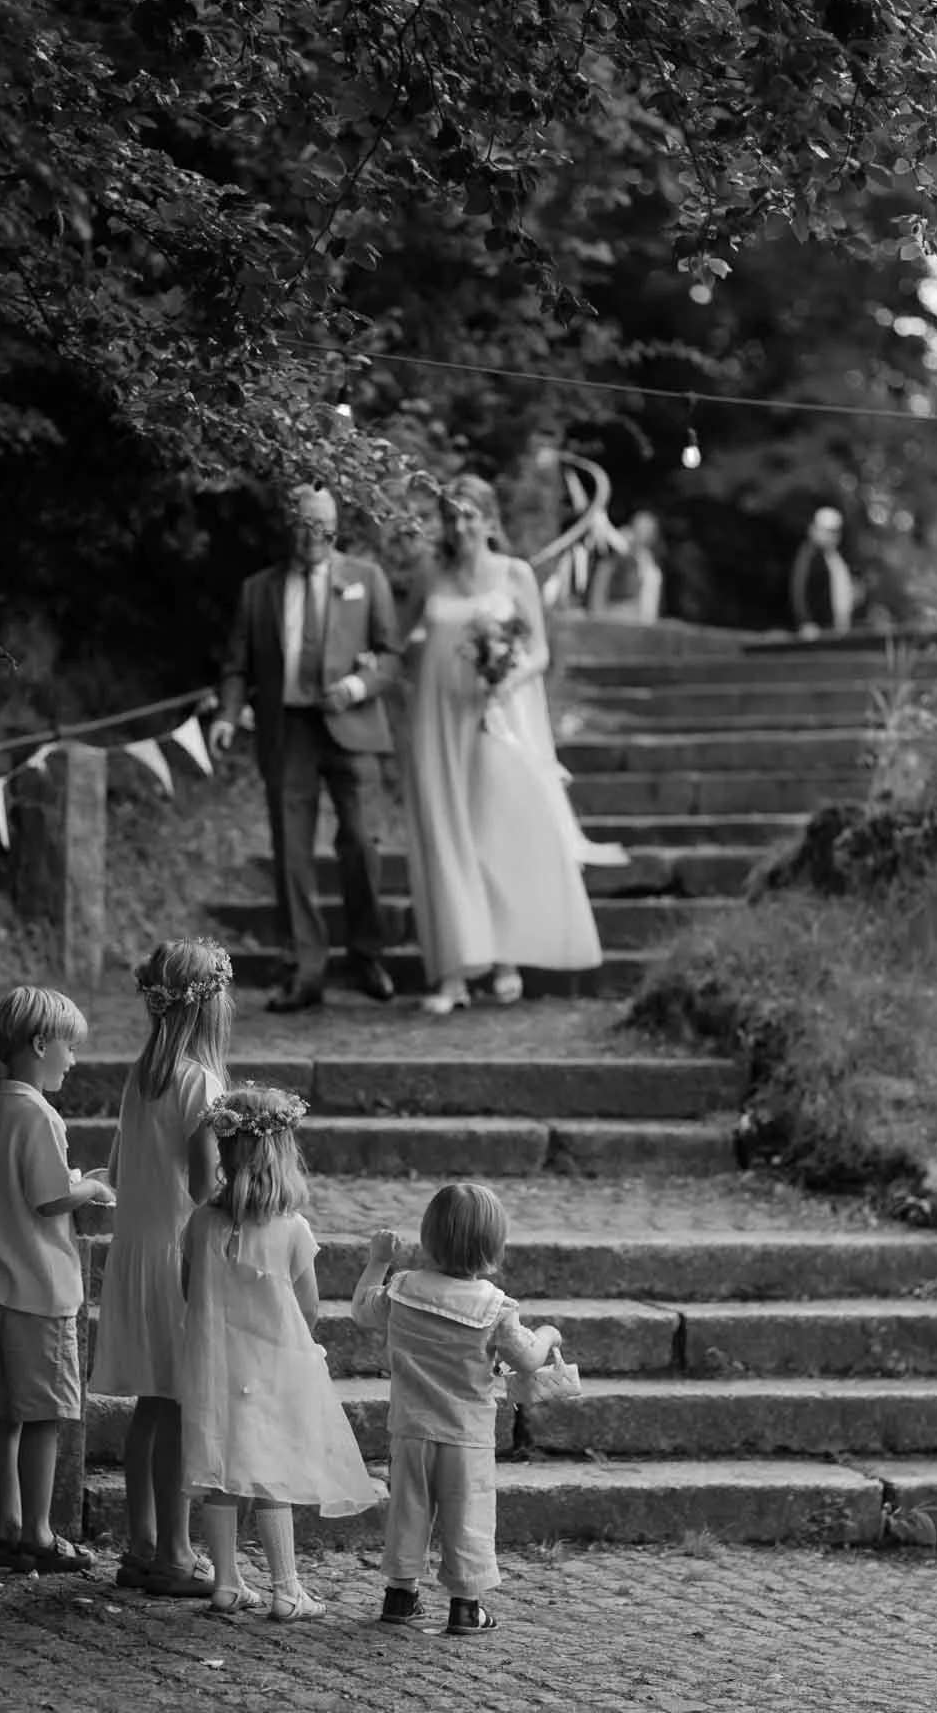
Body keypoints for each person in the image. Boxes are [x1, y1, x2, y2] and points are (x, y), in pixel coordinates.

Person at [402, 473, 603, 1016]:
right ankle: (454, 971)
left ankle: (506, 955)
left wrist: (505, 678)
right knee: (445, 835)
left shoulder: (515, 575)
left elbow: (539, 651)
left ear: (489, 519)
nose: (461, 524)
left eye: (471, 514)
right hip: (434, 717)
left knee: (494, 832)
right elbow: (401, 639)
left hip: (493, 717)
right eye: (452, 515)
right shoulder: (432, 574)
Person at [179, 1083, 375, 1621]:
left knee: (222, 1470)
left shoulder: (200, 1222)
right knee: (271, 1475)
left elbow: (188, 1289)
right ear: (283, 1156)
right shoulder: (291, 1229)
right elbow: (306, 1307)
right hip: (269, 1367)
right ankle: (286, 1588)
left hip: (214, 1366)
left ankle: (226, 1582)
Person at [210, 482, 400, 1013]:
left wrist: (359, 687)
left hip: (352, 725)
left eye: (322, 525)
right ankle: (306, 968)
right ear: (288, 525)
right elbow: (236, 664)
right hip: (286, 728)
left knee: (361, 842)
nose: (312, 534)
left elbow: (390, 656)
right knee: (291, 850)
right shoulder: (258, 589)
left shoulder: (367, 578)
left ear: (335, 527)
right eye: (302, 523)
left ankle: (368, 955)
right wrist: (227, 715)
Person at [89, 937, 236, 1597]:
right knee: (176, 1405)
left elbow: (120, 1170)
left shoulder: (142, 1075)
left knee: (152, 1404)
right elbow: (206, 1184)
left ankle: (140, 1544)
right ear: (209, 1009)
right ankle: (175, 1552)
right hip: (178, 1255)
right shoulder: (200, 1081)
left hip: (133, 1252)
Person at [351, 1182, 561, 1637]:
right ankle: (466, 1607)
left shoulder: (402, 1289)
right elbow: (527, 1358)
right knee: (468, 1514)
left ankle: (400, 1595)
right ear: (493, 1246)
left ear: (429, 1238)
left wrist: (379, 1261)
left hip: (410, 1429)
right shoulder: (496, 1307)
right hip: (466, 1435)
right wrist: (548, 1333)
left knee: (408, 1507)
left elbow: (363, 1311)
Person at [0, 986, 116, 1573]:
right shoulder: (39, 1114)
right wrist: (96, 1186)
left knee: (2, 1415)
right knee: (45, 1417)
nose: (73, 1061)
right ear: (39, 1045)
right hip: (39, 1288)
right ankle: (38, 1530)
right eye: (68, 1048)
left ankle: (6, 1524)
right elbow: (52, 1197)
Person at [790, 505, 854, 637]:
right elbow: (799, 590)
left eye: (835, 532)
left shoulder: (834, 556)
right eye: (827, 531)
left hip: (835, 629)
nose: (832, 536)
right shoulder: (809, 555)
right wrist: (806, 621)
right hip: (817, 631)